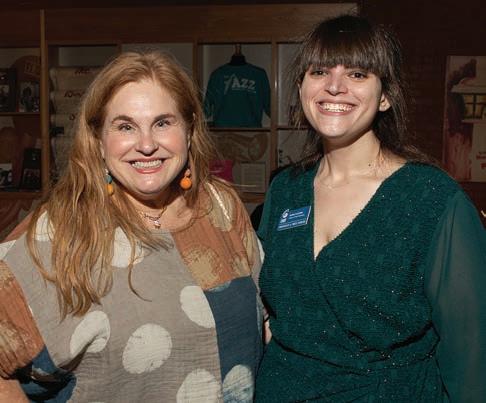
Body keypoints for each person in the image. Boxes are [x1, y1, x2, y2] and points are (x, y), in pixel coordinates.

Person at [0, 51, 263, 402]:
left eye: (163, 123)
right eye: (125, 126)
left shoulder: (220, 206)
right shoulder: (60, 231)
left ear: (189, 130)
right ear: (98, 140)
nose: (147, 145)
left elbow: (264, 320)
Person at [255, 15, 486, 402]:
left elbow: (473, 356)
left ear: (385, 96)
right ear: (301, 87)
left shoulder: (430, 198)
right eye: (319, 71)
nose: (334, 86)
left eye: (358, 74)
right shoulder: (285, 191)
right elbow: (268, 311)